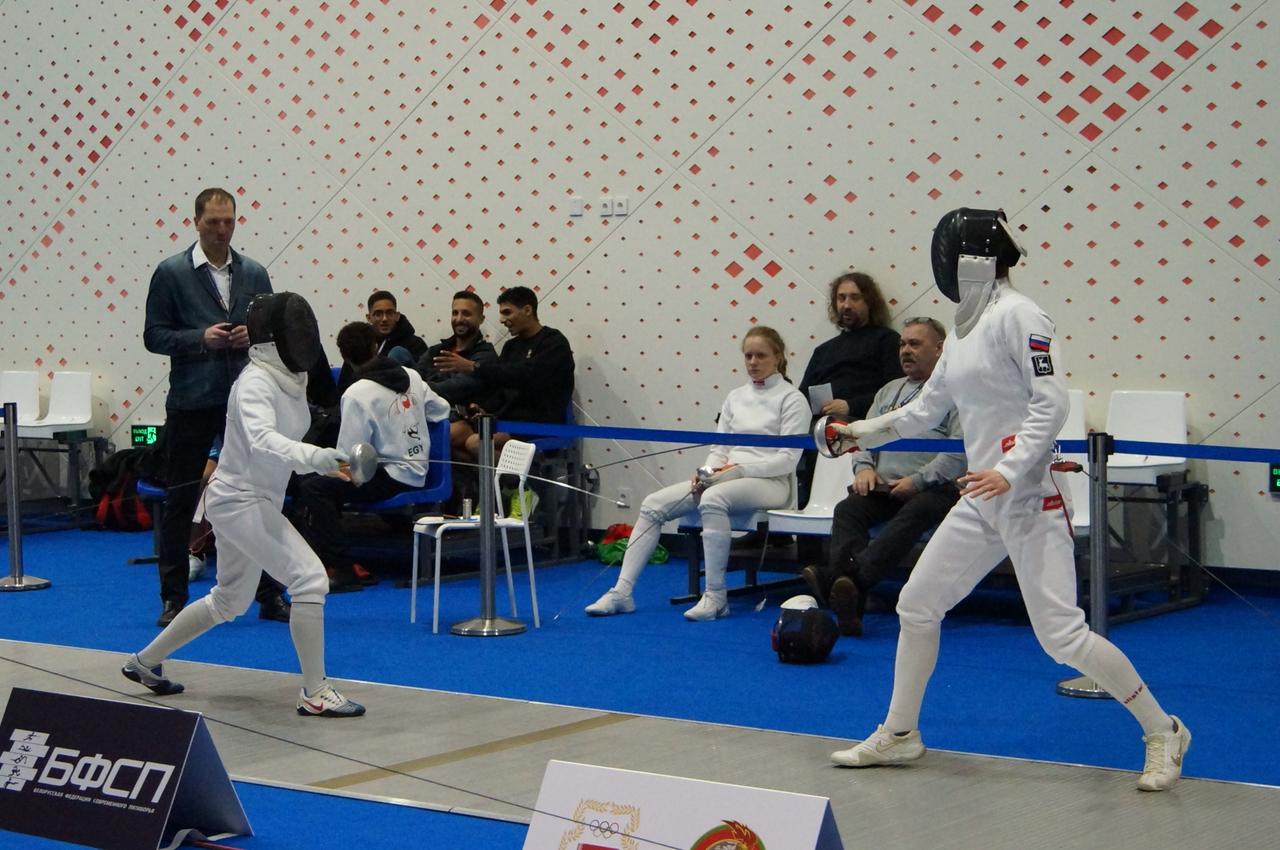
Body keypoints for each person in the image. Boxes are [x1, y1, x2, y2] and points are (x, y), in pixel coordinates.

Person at [828, 208, 1189, 792]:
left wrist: (1010, 468)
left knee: (1061, 637)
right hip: (982, 496)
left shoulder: (1022, 315)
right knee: (917, 604)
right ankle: (900, 733)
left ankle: (1163, 730)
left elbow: (1052, 403)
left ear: (970, 259)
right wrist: (859, 433)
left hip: (1029, 495)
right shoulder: (962, 331)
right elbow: (925, 410)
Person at [122, 292, 365, 717]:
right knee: (310, 580)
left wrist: (328, 462)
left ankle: (143, 662)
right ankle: (315, 693)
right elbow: (263, 441)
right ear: (275, 340)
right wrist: (316, 457)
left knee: (228, 601)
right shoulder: (254, 383)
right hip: (239, 501)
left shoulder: (292, 378)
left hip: (256, 499)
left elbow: (286, 446)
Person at [585, 326, 809, 621]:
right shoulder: (736, 397)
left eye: (761, 355)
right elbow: (720, 448)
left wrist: (738, 471)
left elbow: (787, 461)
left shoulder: (792, 399)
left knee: (713, 499)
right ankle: (622, 593)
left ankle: (716, 597)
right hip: (727, 478)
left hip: (772, 484)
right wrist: (707, 472)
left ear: (778, 357)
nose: (753, 362)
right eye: (748, 356)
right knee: (653, 505)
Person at [143, 187, 291, 627]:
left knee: (261, 495)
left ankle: (269, 593)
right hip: (191, 399)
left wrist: (254, 334)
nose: (222, 230)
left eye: (229, 222)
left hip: (247, 399)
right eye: (213, 222)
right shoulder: (170, 272)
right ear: (196, 222)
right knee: (181, 498)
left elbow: (275, 332)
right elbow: (153, 335)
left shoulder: (255, 272)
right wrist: (199, 338)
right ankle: (173, 598)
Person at [802, 316, 964, 637]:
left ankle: (846, 580)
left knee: (917, 510)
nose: (905, 350)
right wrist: (863, 467)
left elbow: (959, 453)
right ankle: (850, 595)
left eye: (914, 344)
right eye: (903, 344)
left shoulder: (956, 392)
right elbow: (860, 437)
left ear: (940, 349)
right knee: (848, 509)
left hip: (937, 488)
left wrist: (917, 481)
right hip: (885, 485)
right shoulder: (888, 391)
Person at [295, 321, 449, 591]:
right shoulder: (411, 376)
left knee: (312, 487)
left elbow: (349, 459)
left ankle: (341, 568)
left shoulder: (356, 394)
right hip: (418, 471)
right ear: (375, 346)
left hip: (391, 477)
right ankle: (335, 562)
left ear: (344, 356)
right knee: (317, 483)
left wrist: (317, 466)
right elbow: (441, 409)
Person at [432, 286, 574, 510]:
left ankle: (523, 487)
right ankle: (495, 491)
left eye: (507, 312)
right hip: (506, 421)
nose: (502, 320)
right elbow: (500, 386)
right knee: (447, 438)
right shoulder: (511, 347)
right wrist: (483, 408)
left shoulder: (553, 342)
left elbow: (526, 376)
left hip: (539, 423)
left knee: (474, 443)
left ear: (527, 310)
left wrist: (474, 366)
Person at [415, 290, 498, 461]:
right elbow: (415, 377)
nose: (459, 319)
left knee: (420, 441)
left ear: (481, 319)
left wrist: (419, 388)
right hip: (423, 414)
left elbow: (456, 388)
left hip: (461, 420)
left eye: (466, 313)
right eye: (455, 313)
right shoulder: (436, 351)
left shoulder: (485, 356)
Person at [336, 290, 429, 393]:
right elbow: (344, 386)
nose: (384, 319)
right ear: (369, 318)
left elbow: (425, 381)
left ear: (397, 316)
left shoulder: (415, 344)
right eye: (378, 314)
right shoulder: (359, 344)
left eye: (389, 313)